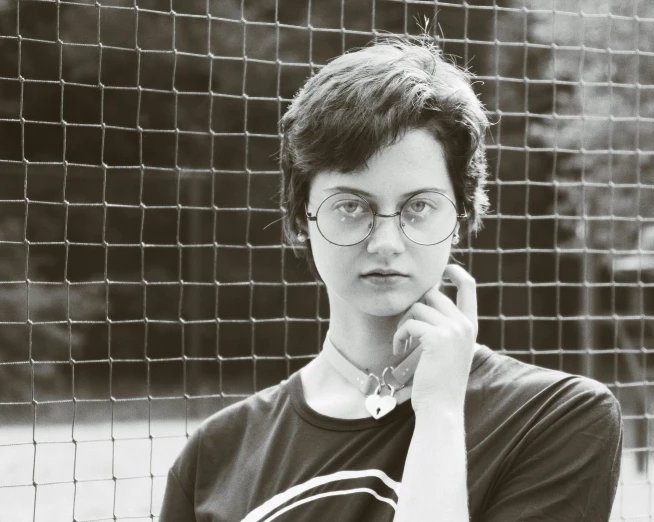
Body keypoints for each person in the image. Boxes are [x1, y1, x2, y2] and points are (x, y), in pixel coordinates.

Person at [160, 37, 623, 522]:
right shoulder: (215, 457)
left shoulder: (557, 419)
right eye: (351, 205)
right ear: (300, 218)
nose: (385, 241)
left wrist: (440, 411)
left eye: (418, 206)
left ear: (463, 216)